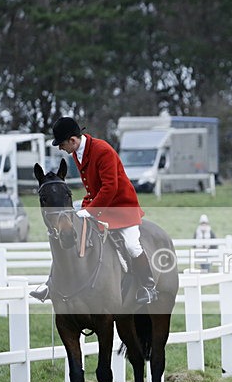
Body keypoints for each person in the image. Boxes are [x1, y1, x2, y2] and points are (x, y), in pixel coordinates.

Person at [30, 116, 158, 304]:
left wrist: (90, 211)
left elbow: (110, 188)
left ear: (73, 140)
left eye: (61, 144)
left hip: (121, 207)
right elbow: (93, 188)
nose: (60, 148)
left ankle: (148, 287)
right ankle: (52, 283)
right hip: (97, 203)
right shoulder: (77, 153)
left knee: (132, 245)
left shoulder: (103, 150)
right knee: (68, 230)